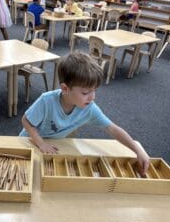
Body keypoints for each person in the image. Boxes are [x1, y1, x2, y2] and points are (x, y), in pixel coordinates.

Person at [19, 52, 149, 176]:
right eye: (85, 92)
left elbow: (113, 129)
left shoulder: (89, 108)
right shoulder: (46, 100)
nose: (92, 97)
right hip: (29, 141)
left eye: (94, 91)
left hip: (53, 145)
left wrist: (137, 150)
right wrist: (41, 143)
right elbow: (26, 121)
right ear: (65, 89)